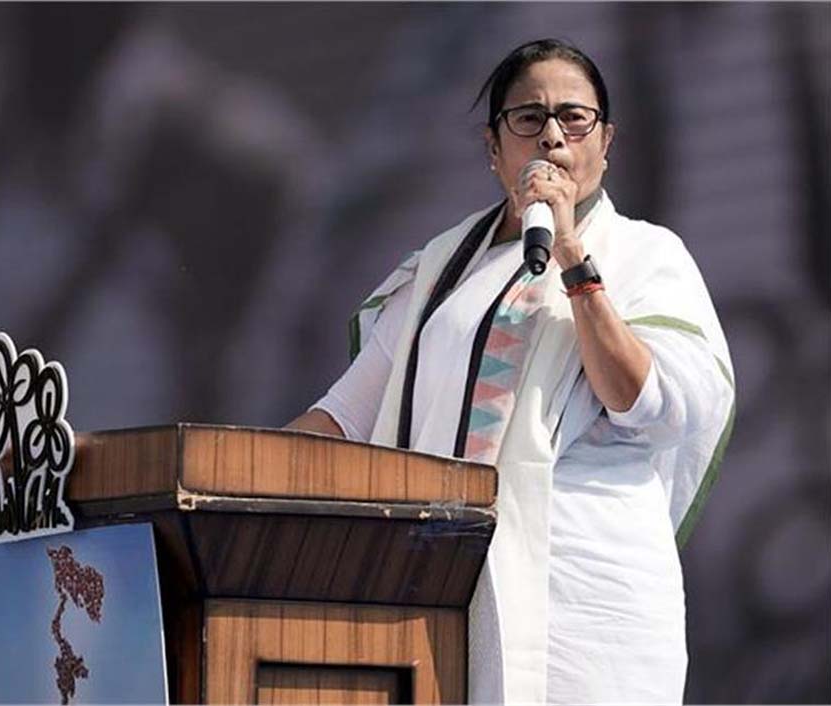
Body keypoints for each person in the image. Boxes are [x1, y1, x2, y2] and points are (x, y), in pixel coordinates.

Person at [287, 38, 736, 704]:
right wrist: (224, 473)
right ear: (494, 148)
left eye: (574, 118)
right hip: (442, 591)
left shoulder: (647, 256)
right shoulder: (438, 271)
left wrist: (573, 257)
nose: (552, 135)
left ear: (605, 142)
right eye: (528, 118)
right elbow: (346, 418)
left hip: (584, 608)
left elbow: (648, 405)